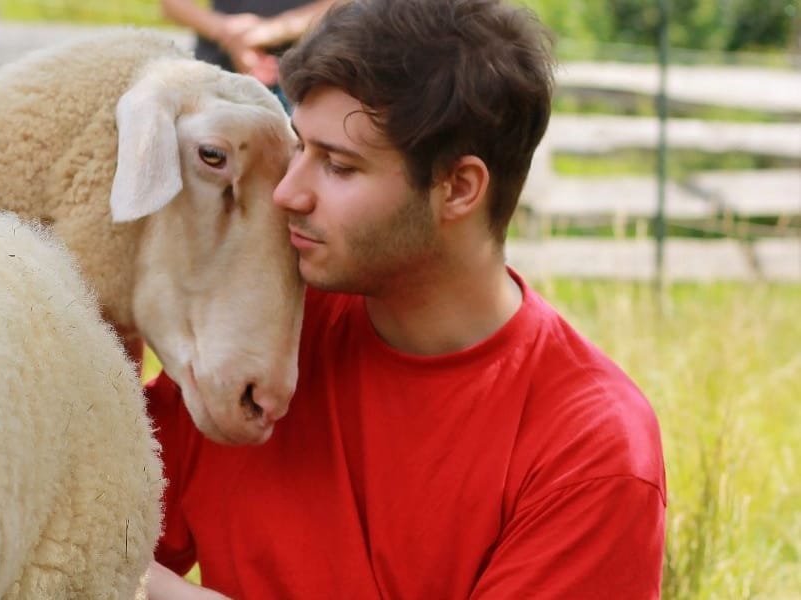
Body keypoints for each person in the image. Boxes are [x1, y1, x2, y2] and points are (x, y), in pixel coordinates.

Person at [146, 0, 667, 598]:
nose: (288, 192)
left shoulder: (590, 446)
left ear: (459, 188)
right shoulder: (259, 335)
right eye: (300, 149)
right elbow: (74, 536)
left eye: (339, 167)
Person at [159, 0, 340, 105]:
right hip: (212, 75)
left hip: (296, 81)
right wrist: (228, 33)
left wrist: (272, 31)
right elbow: (172, 5)